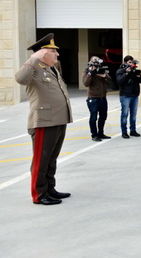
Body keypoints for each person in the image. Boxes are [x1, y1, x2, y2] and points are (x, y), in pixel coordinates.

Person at [15, 33, 73, 205]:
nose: (57, 54)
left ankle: (50, 188)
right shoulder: (34, 69)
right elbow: (20, 79)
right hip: (44, 121)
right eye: (53, 52)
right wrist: (34, 59)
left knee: (51, 158)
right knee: (41, 160)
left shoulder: (51, 69)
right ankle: (39, 194)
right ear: (43, 53)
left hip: (58, 120)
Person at [82, 56, 112, 142]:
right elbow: (86, 84)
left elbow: (110, 80)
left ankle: (101, 133)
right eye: (94, 61)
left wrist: (105, 76)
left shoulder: (101, 70)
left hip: (103, 97)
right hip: (93, 98)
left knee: (103, 116)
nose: (96, 63)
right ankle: (94, 135)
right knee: (93, 117)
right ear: (90, 62)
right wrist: (90, 73)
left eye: (97, 61)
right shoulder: (87, 72)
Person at [116, 55, 141, 139]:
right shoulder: (120, 71)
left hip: (134, 95)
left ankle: (133, 130)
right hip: (125, 95)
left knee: (133, 114)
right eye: (129, 62)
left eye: (132, 62)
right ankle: (124, 132)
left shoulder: (135, 71)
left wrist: (138, 75)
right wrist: (126, 73)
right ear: (125, 63)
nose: (131, 64)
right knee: (124, 114)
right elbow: (119, 81)